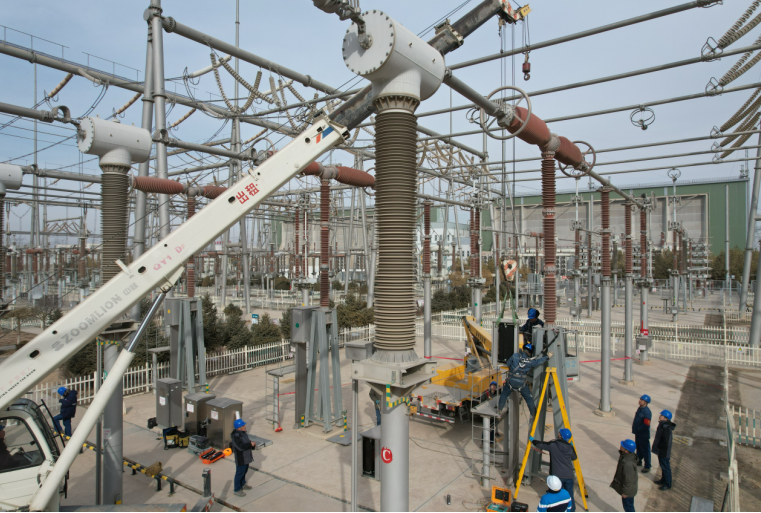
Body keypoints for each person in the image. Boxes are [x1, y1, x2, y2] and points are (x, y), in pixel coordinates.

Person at [497, 342, 552, 415]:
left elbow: (508, 364)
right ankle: (534, 414)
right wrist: (547, 357)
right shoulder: (530, 361)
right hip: (522, 383)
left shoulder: (515, 355)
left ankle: (499, 410)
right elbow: (538, 362)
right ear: (529, 352)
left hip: (511, 381)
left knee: (504, 394)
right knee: (529, 399)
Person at [531, 428, 578, 511]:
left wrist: (533, 440)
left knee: (557, 494)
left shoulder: (553, 445)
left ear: (560, 436)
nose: (558, 433)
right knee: (569, 494)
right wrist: (571, 447)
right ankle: (572, 510)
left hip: (558, 477)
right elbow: (574, 457)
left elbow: (541, 444)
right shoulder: (569, 447)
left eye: (559, 433)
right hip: (569, 476)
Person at [610, 439, 638, 512]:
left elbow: (628, 480)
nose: (620, 446)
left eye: (622, 446)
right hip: (629, 490)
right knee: (628, 507)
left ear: (626, 450)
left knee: (628, 508)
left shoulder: (627, 464)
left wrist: (625, 493)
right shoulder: (627, 456)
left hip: (628, 492)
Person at [230, 419, 255, 497]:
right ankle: (237, 489)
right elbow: (240, 447)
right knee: (239, 473)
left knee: (244, 471)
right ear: (239, 428)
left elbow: (247, 442)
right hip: (241, 458)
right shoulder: (236, 437)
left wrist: (251, 444)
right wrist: (250, 445)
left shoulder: (243, 433)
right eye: (243, 425)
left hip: (246, 457)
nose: (245, 426)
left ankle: (243, 484)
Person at [652, 410, 676, 491]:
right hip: (661, 450)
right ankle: (663, 480)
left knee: (666, 468)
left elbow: (665, 441)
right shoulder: (663, 425)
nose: (660, 416)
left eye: (661, 415)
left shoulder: (666, 428)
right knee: (663, 466)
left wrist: (659, 447)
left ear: (666, 418)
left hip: (664, 451)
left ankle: (667, 484)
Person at [632, 394, 652, 474]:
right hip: (638, 433)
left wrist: (638, 429)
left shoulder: (647, 412)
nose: (640, 401)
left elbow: (646, 425)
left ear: (645, 402)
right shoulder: (640, 408)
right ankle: (639, 460)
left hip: (643, 435)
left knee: (645, 450)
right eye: (640, 399)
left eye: (642, 400)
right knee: (639, 448)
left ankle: (647, 466)